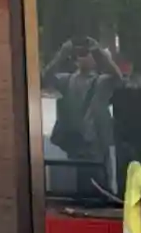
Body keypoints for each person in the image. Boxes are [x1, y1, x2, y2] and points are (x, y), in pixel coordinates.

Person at [43, 36, 124, 180]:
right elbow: (45, 78)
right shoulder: (66, 80)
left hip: (96, 148)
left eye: (87, 53)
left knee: (99, 183)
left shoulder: (101, 83)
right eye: (79, 53)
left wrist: (98, 52)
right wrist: (62, 54)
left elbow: (118, 78)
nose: (83, 56)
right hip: (74, 145)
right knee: (75, 184)